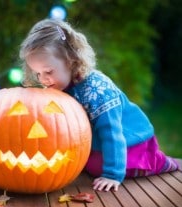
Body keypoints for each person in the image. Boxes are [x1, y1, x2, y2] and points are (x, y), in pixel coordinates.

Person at [19, 18, 179, 192]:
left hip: (129, 142)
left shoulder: (97, 91)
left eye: (48, 71)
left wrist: (112, 174)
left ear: (70, 60)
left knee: (96, 167)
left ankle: (162, 163)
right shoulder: (59, 85)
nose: (43, 79)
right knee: (87, 165)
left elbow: (112, 133)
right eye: (38, 73)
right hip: (97, 144)